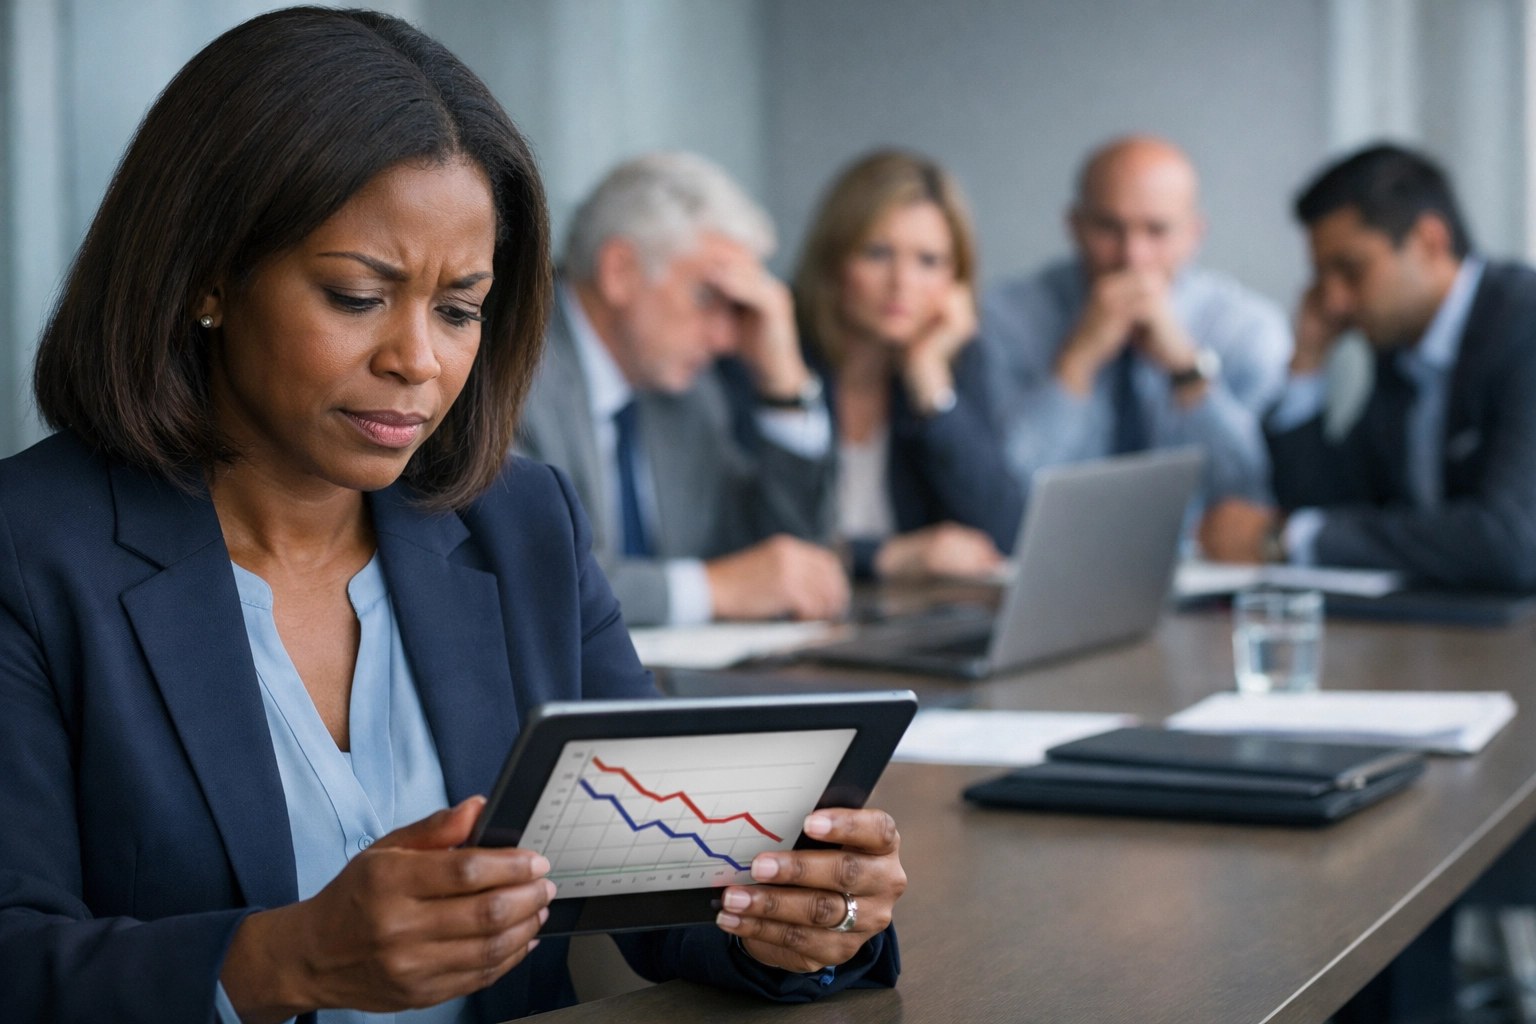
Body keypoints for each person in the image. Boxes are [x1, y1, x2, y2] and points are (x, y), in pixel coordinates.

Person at [0, 10, 905, 1022]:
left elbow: (661, 883)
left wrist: (793, 916)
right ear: (207, 275)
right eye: (356, 296)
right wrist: (282, 961)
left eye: (459, 308)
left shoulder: (520, 523)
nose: (418, 362)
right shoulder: (30, 551)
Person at [516, 153, 849, 627]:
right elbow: (532, 577)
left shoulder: (687, 394)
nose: (726, 338)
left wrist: (785, 388)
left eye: (737, 307)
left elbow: (782, 564)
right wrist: (715, 589)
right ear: (620, 271)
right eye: (707, 297)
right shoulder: (511, 367)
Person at [1199, 144, 1536, 591]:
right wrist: (1306, 365)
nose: (1333, 301)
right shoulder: (1400, 350)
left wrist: (1287, 539)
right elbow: (1335, 505)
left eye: (1351, 270)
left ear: (1429, 243)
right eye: (1321, 277)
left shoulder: (1524, 325)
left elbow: (1510, 540)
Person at [981, 135, 1291, 504]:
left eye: (1157, 231)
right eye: (1109, 228)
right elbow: (1002, 491)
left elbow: (1248, 493)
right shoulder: (1007, 317)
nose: (1133, 256)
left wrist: (1187, 369)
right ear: (1075, 225)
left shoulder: (1248, 330)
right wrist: (1075, 363)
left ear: (1194, 234)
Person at [793, 150, 1023, 581]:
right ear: (834, 259)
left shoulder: (953, 359)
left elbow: (1006, 531)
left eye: (928, 261)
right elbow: (761, 537)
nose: (902, 282)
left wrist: (931, 385)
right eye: (877, 253)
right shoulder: (779, 354)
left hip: (906, 622)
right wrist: (885, 556)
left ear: (956, 277)